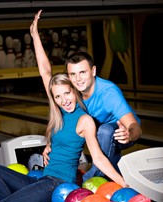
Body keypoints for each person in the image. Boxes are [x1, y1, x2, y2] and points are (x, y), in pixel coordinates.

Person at [0, 11, 128, 202]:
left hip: (57, 186)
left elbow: (99, 158)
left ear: (74, 91)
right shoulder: (60, 113)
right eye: (58, 96)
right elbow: (45, 71)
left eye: (67, 94)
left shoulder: (84, 120)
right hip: (42, 180)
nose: (64, 100)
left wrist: (123, 183)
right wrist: (34, 35)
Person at [38, 10, 142, 181]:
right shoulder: (71, 89)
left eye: (83, 72)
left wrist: (129, 134)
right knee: (101, 134)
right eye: (73, 74)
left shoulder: (109, 93)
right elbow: (46, 73)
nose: (78, 79)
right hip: (97, 133)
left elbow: (135, 126)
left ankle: (94, 179)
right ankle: (115, 177)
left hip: (120, 133)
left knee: (106, 131)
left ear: (93, 71)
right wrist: (52, 144)